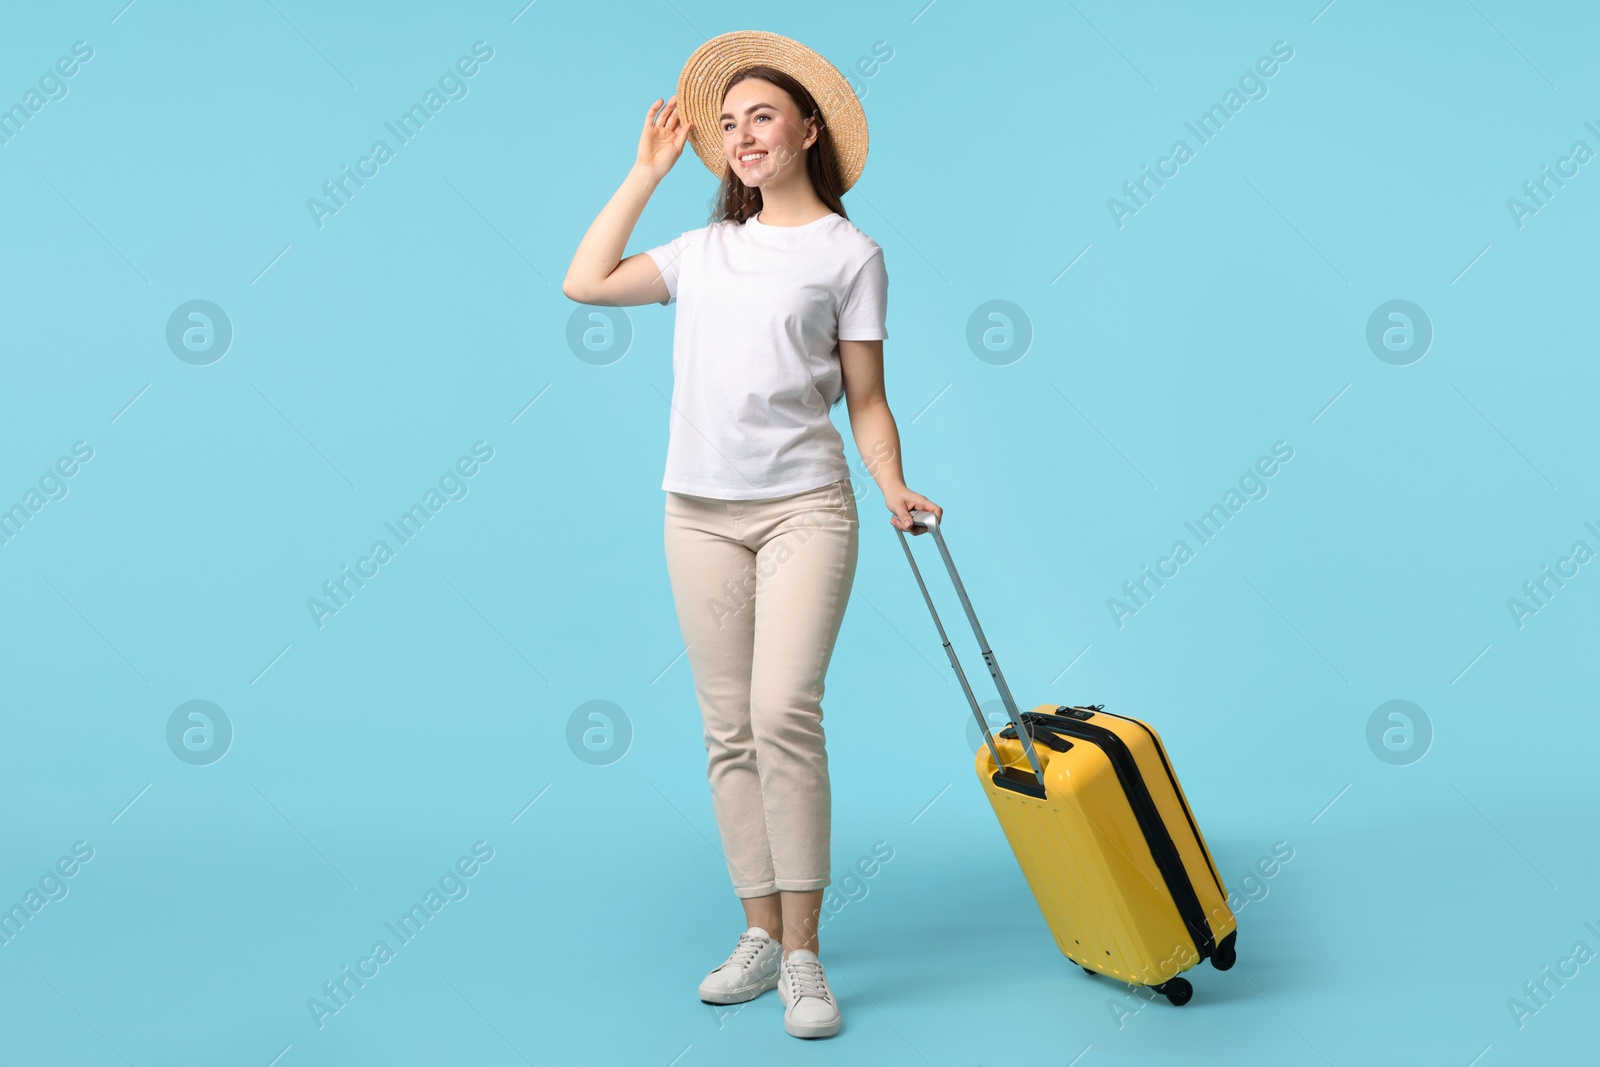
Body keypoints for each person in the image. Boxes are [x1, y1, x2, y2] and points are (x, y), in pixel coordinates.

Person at [561, 30, 940, 1040]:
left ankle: (806, 954)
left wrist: (893, 481)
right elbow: (585, 282)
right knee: (726, 726)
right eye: (725, 125)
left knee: (783, 710)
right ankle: (758, 931)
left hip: (803, 508)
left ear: (807, 129)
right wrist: (645, 172)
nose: (740, 136)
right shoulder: (702, 251)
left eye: (759, 116)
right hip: (697, 511)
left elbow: (867, 400)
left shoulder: (850, 256)